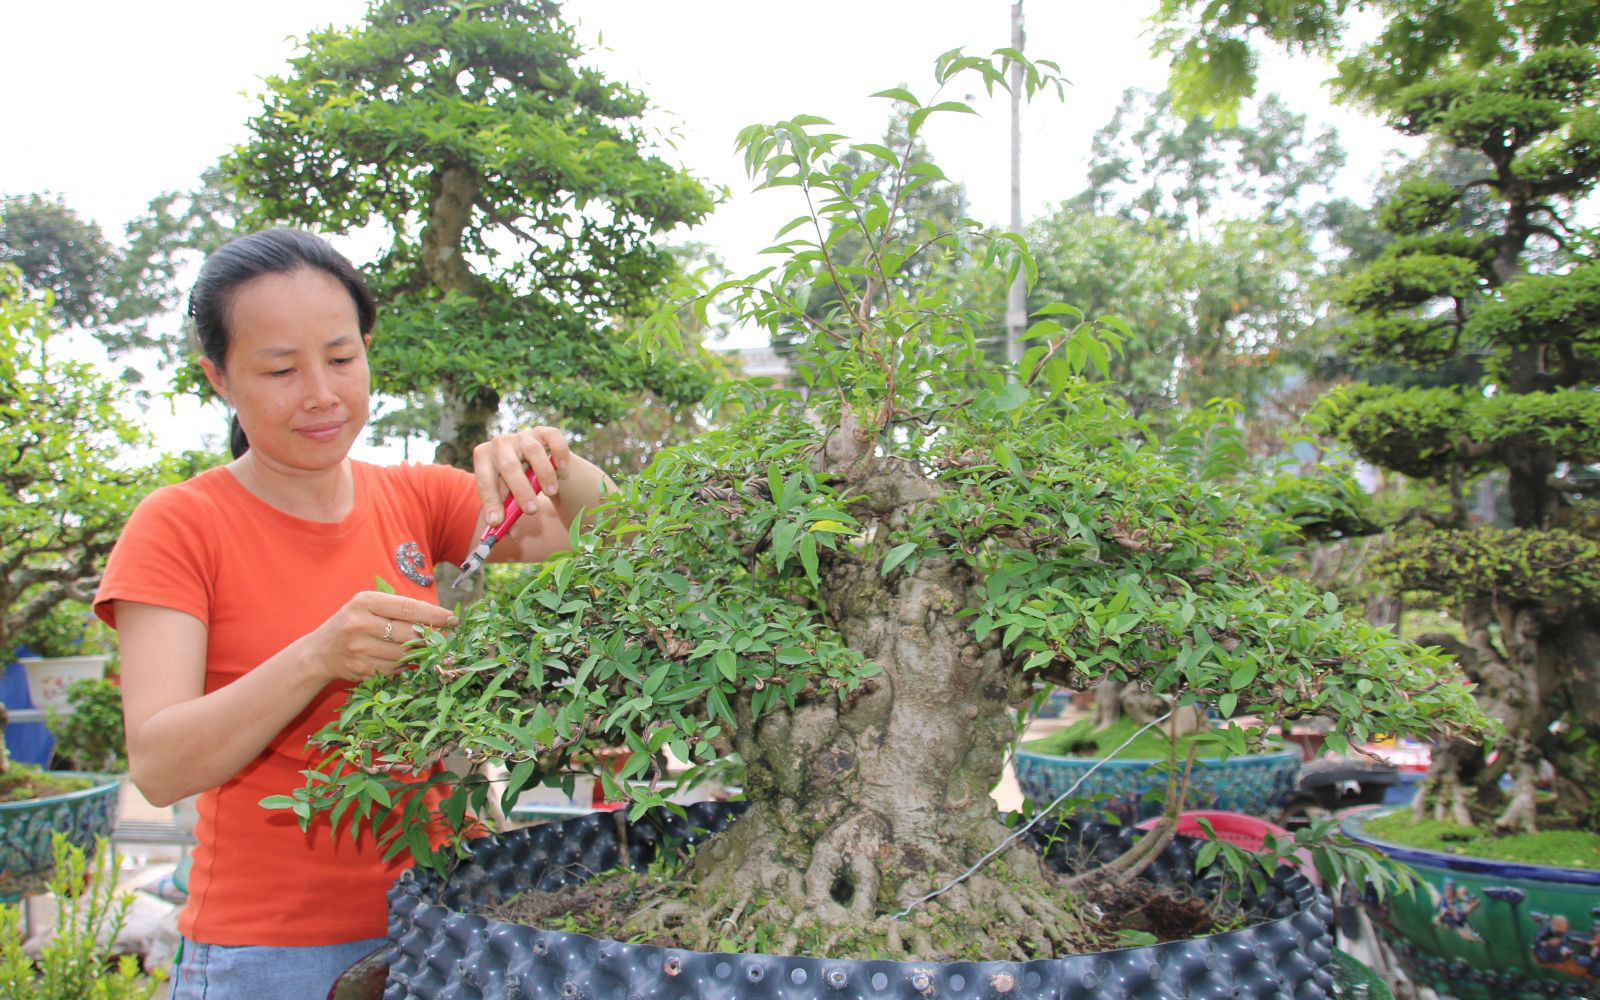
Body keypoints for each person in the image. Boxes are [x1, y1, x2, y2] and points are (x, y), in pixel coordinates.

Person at [93, 229, 612, 1000]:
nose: (321, 394)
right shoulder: (180, 525)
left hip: (450, 919)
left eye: (341, 358)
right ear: (220, 379)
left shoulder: (413, 497)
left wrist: (557, 462)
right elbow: (162, 765)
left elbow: (618, 537)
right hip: (275, 954)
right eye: (279, 368)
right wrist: (316, 657)